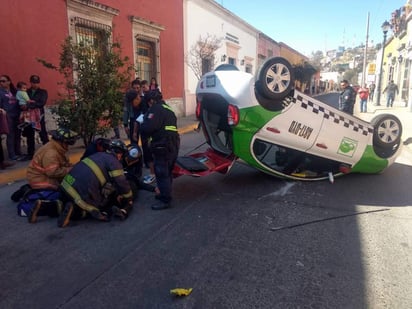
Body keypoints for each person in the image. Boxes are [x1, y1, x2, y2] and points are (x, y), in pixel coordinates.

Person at [58, 139, 134, 227]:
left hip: (65, 185)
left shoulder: (98, 154)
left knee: (60, 205)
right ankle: (74, 212)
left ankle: (45, 205)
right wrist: (129, 197)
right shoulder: (115, 162)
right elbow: (121, 183)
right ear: (120, 154)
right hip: (81, 190)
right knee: (96, 207)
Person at [21, 128, 78, 223]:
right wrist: (70, 170)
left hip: (39, 177)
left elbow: (62, 164)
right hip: (41, 181)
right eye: (68, 143)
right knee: (63, 197)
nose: (68, 145)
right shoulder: (51, 153)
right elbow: (52, 172)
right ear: (62, 141)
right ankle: (41, 207)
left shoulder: (56, 147)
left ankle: (28, 191)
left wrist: (73, 167)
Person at [140, 89, 180, 210]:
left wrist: (143, 123)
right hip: (174, 143)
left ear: (151, 100)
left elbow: (148, 128)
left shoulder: (155, 109)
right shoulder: (168, 108)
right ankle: (165, 193)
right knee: (168, 170)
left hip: (162, 144)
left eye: (148, 102)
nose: (148, 104)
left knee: (161, 172)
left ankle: (165, 199)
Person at [0, 75, 22, 160]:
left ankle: (18, 152)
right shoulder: (0, 93)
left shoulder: (14, 91)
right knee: (10, 135)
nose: (1, 83)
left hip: (17, 114)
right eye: (0, 81)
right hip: (7, 116)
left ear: (9, 82)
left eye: (3, 81)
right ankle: (12, 154)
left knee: (18, 134)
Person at [28, 75, 49, 144]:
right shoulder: (27, 91)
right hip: (29, 115)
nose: (35, 84)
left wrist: (31, 104)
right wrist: (33, 104)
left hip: (39, 114)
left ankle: (46, 149)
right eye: (33, 82)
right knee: (30, 133)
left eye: (36, 82)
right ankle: (30, 152)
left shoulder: (43, 92)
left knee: (42, 132)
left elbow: (42, 103)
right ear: (30, 82)